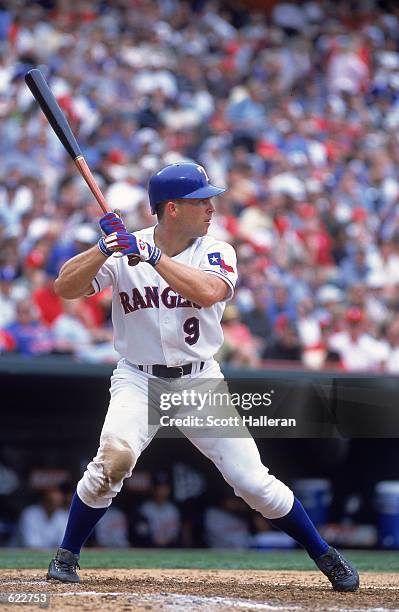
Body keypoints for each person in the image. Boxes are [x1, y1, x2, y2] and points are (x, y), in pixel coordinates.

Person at [46, 161, 359, 592]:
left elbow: (209, 291)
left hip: (199, 382)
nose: (211, 207)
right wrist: (104, 248)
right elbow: (63, 288)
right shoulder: (123, 248)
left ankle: (325, 554)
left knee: (253, 482)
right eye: (201, 200)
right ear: (172, 208)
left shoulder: (216, 250)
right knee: (113, 461)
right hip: (139, 380)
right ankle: (66, 555)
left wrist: (152, 258)